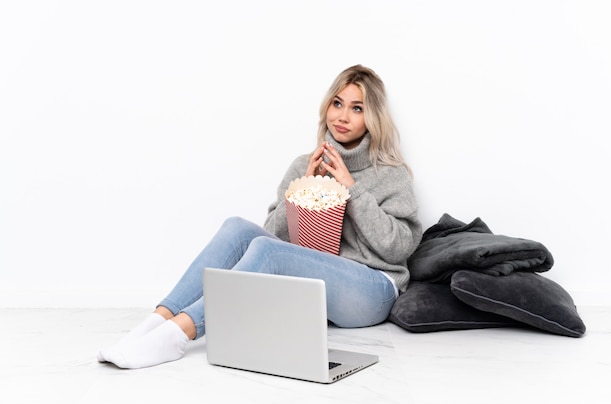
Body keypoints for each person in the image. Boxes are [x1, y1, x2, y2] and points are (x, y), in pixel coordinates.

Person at [97, 64, 423, 369]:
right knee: (237, 228)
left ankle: (178, 335)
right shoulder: (303, 164)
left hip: (373, 289)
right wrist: (301, 191)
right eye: (337, 103)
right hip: (316, 290)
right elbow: (271, 235)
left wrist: (351, 189)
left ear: (373, 116)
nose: (342, 116)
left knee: (269, 253)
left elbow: (397, 249)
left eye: (357, 108)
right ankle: (154, 323)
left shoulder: (391, 174)